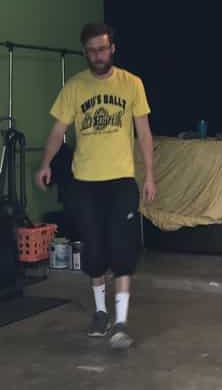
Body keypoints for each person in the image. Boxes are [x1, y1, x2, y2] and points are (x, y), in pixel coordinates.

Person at [35, 23, 156, 349]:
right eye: (91, 50)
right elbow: (57, 131)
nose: (97, 55)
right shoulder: (74, 88)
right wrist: (45, 163)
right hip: (85, 183)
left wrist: (150, 177)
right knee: (94, 249)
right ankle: (100, 312)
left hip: (120, 182)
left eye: (102, 49)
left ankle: (120, 321)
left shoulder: (132, 84)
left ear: (112, 48)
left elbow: (143, 133)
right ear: (85, 52)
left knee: (122, 249)